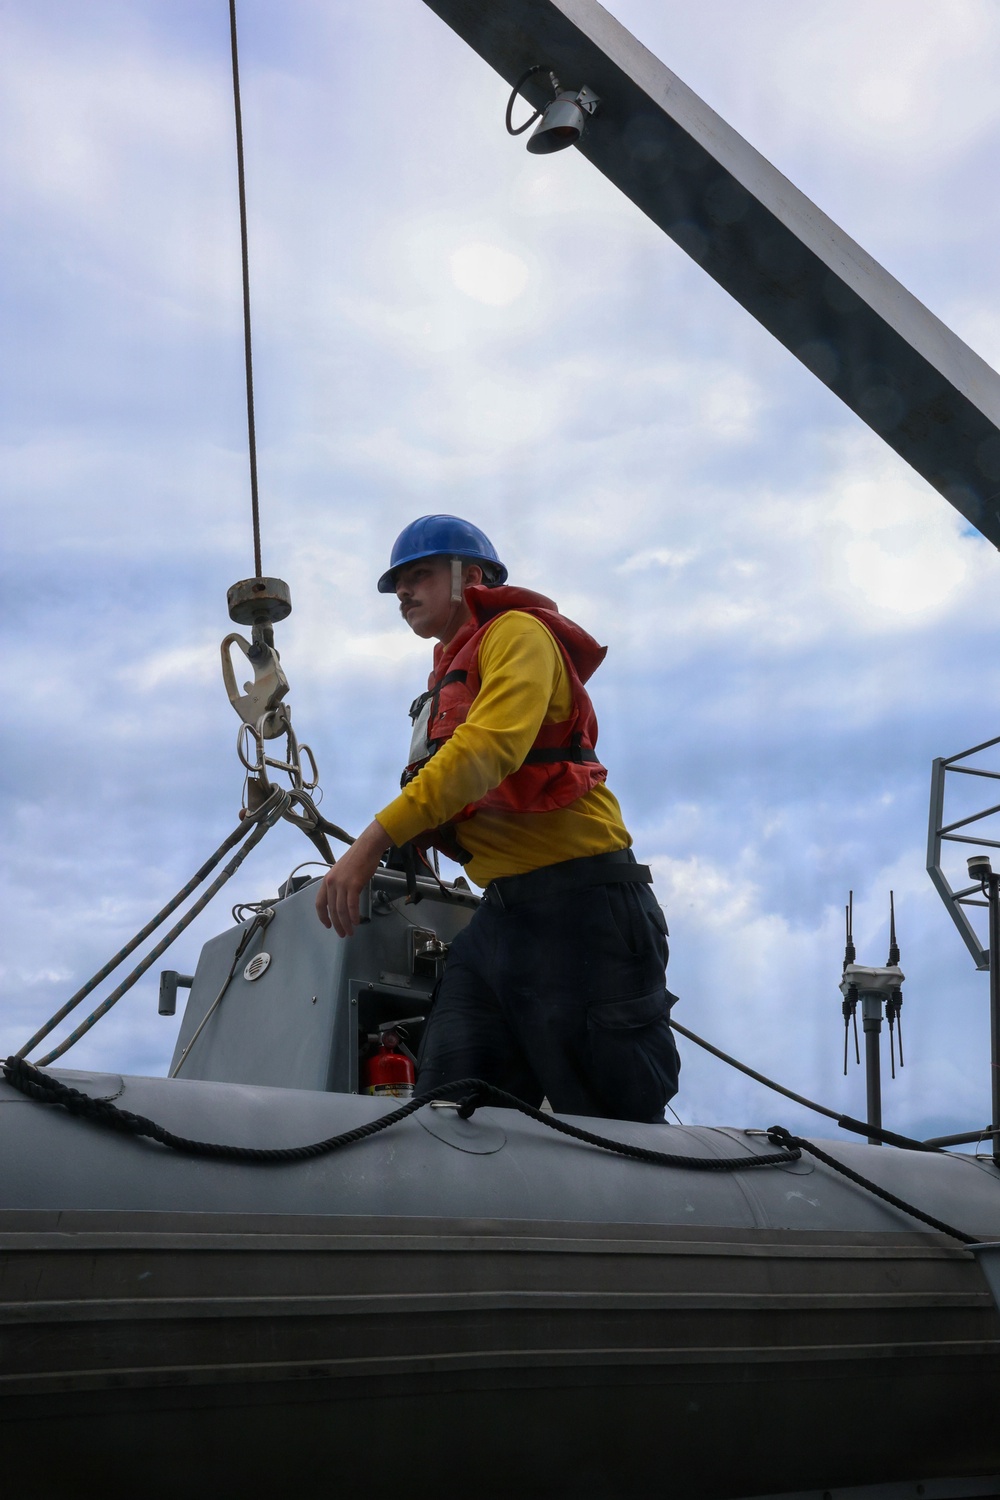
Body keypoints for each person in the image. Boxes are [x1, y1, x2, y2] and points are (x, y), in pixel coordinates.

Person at [315, 515, 680, 1123]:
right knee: (446, 1110)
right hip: (503, 920)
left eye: (420, 574)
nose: (404, 592)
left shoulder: (517, 634)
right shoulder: (443, 680)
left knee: (614, 1126)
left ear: (472, 576)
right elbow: (452, 783)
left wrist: (373, 841)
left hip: (587, 908)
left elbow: (488, 749)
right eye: (398, 582)